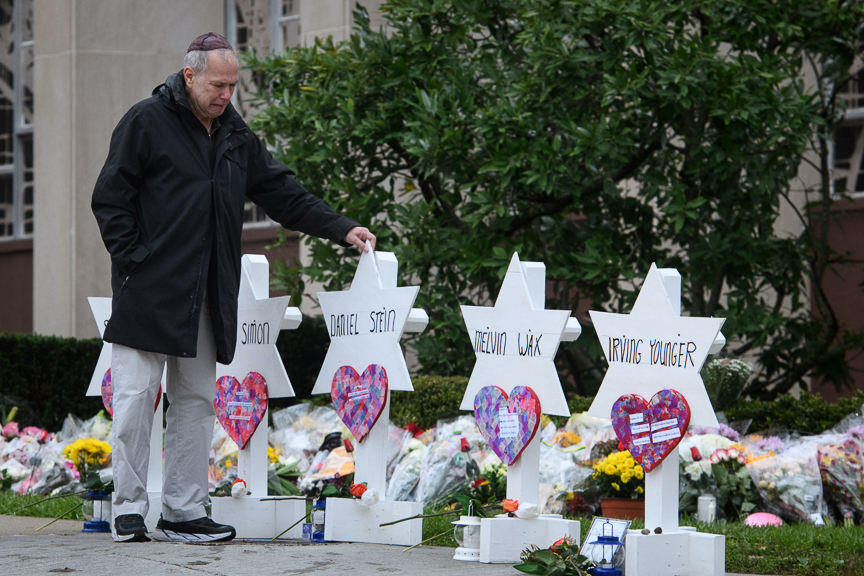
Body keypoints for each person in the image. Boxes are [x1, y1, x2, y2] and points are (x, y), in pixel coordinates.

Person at [92, 32, 375, 543]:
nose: (225, 95)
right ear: (189, 77)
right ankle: (129, 510)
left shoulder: (234, 137)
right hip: (148, 294)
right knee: (134, 402)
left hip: (207, 295)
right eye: (217, 85)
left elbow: (283, 192)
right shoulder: (145, 121)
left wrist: (340, 227)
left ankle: (183, 511)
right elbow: (110, 198)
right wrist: (136, 262)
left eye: (232, 86)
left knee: (196, 404)